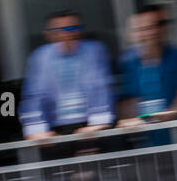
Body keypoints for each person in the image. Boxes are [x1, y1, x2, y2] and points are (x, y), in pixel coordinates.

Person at [19, 10, 114, 141]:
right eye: (59, 30)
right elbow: (34, 96)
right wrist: (36, 130)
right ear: (48, 35)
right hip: (54, 131)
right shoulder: (40, 56)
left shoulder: (94, 50)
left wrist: (98, 124)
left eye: (73, 28)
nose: (68, 34)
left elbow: (101, 89)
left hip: (91, 125)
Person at [117, 6, 177, 144]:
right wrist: (130, 119)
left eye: (153, 27)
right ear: (134, 33)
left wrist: (174, 111)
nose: (150, 33)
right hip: (146, 138)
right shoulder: (128, 62)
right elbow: (127, 100)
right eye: (142, 29)